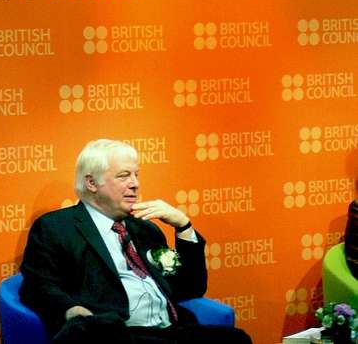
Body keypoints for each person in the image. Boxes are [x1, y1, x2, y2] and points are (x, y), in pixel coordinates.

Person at [20, 139, 252, 343]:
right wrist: (72, 309)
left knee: (236, 339)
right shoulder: (57, 227)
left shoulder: (145, 229)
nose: (135, 184)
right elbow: (38, 285)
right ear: (91, 183)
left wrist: (183, 226)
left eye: (136, 175)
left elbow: (189, 287)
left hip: (169, 330)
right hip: (116, 334)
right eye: (124, 176)